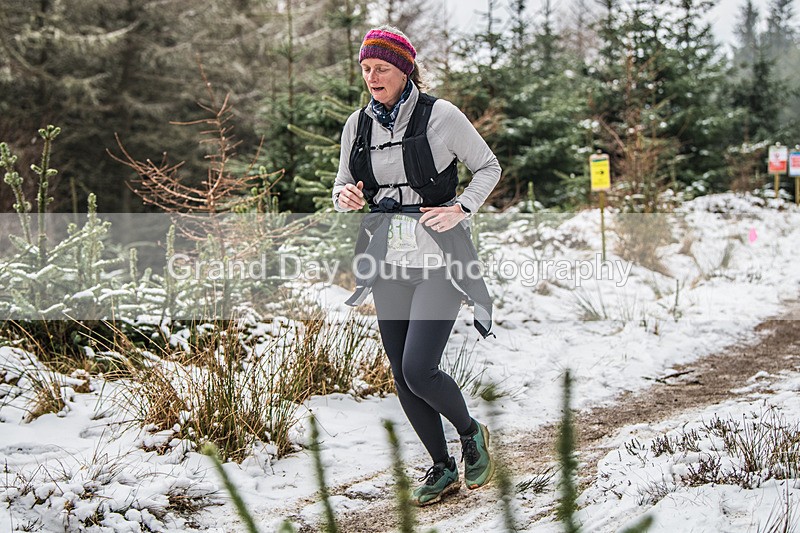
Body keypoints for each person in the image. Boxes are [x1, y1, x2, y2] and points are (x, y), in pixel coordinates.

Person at [332, 25, 502, 506]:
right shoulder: (357, 125)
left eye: (381, 68)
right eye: (365, 69)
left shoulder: (441, 116)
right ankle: (442, 466)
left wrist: (461, 208)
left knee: (419, 367)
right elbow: (344, 183)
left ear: (404, 70)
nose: (372, 77)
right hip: (387, 259)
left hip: (439, 259)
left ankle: (469, 434)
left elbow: (488, 166)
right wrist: (344, 197)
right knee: (400, 372)